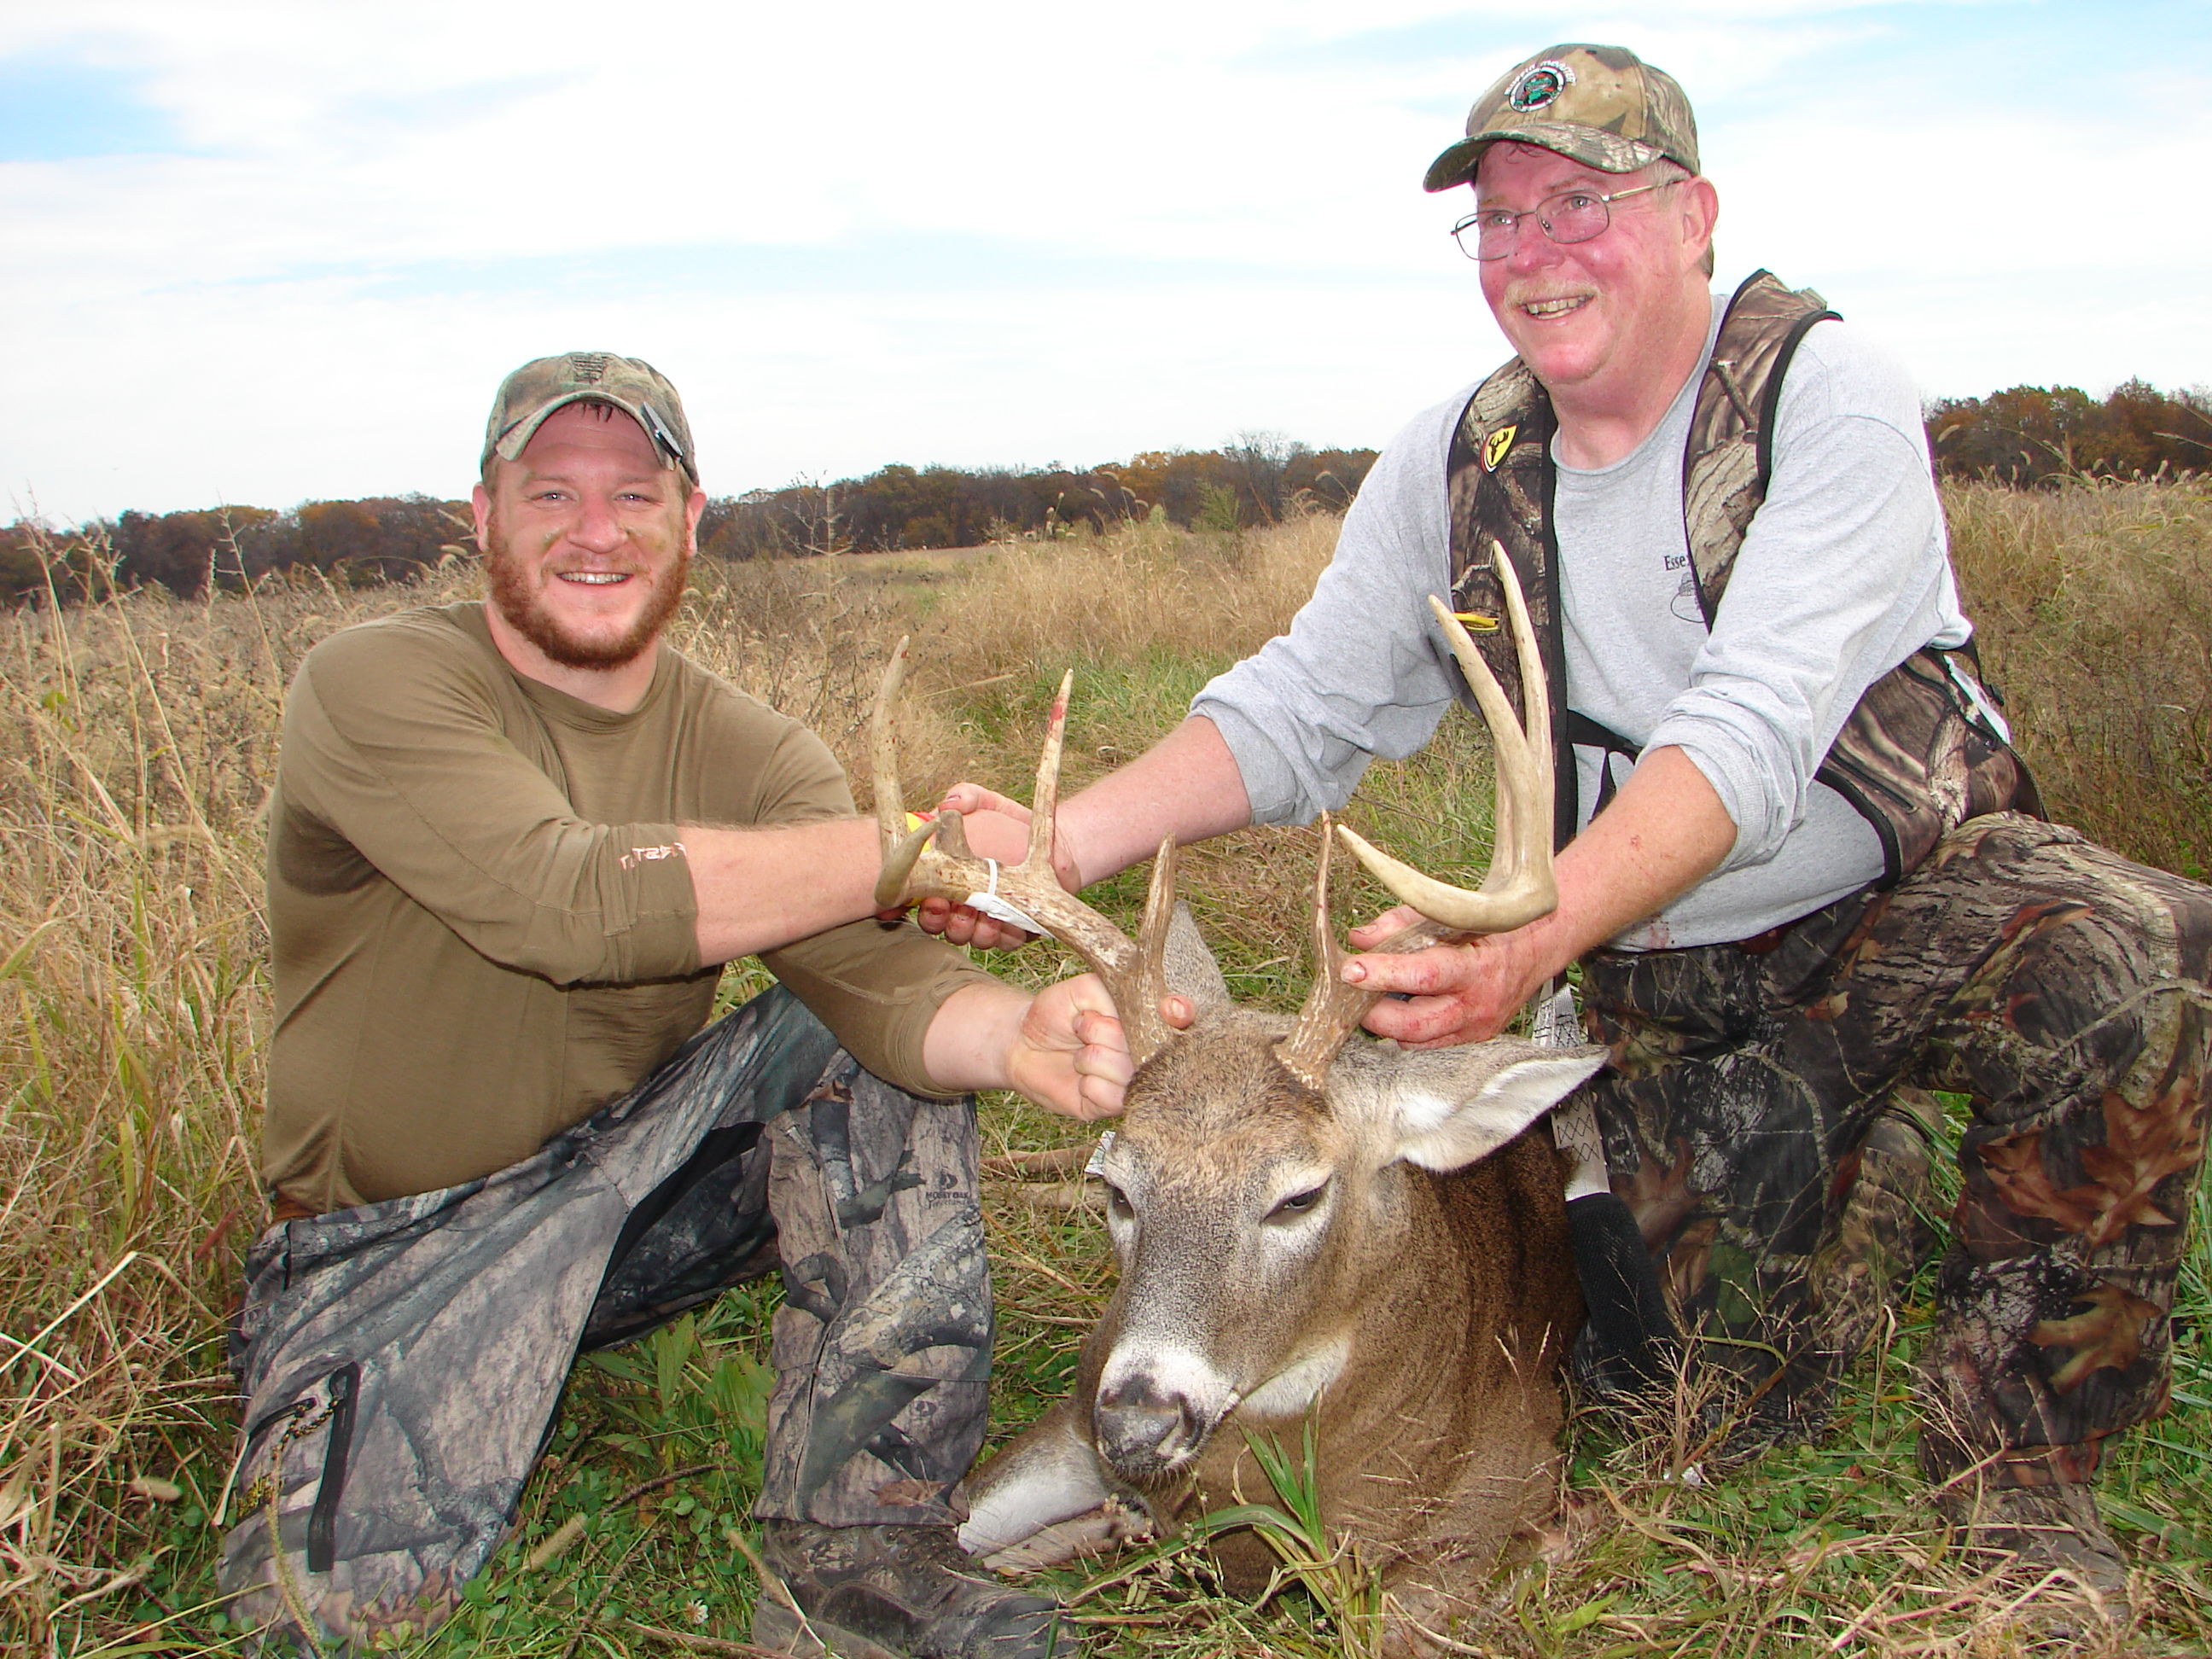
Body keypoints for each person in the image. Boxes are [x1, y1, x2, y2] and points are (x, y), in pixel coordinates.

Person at [923, 45, 2211, 1621]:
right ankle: (1861, 1164)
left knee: (2136, 956)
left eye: (1580, 205)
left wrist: (1529, 936)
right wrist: (1071, 841)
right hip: (1658, 975)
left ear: (1694, 216)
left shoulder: (1822, 395)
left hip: (1901, 912)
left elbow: (1748, 733)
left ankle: (2027, 1475)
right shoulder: (1458, 463)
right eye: (1502, 223)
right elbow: (1307, 705)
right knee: (1712, 1400)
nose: (1535, 255)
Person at [218, 352, 1130, 1658]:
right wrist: (927, 845)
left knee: (852, 1051)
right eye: (551, 497)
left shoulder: (753, 749)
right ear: (482, 516)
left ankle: (859, 1558)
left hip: (622, 1212)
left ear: (689, 521)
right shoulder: (371, 687)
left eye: (635, 497)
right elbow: (562, 900)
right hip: (391, 1257)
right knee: (310, 1626)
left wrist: (1012, 1034)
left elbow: (873, 982)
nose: (597, 533)